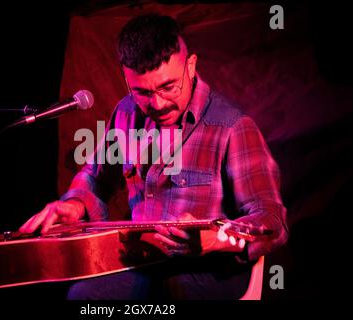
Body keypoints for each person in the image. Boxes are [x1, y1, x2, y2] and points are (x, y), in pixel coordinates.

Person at [19, 13, 288, 299]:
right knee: (82, 296)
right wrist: (75, 203)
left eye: (168, 87)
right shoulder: (125, 113)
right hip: (145, 264)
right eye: (142, 92)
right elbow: (96, 178)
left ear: (192, 66)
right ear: (126, 80)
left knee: (174, 292)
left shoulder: (232, 127)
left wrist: (214, 239)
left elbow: (271, 221)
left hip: (213, 267)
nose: (157, 103)